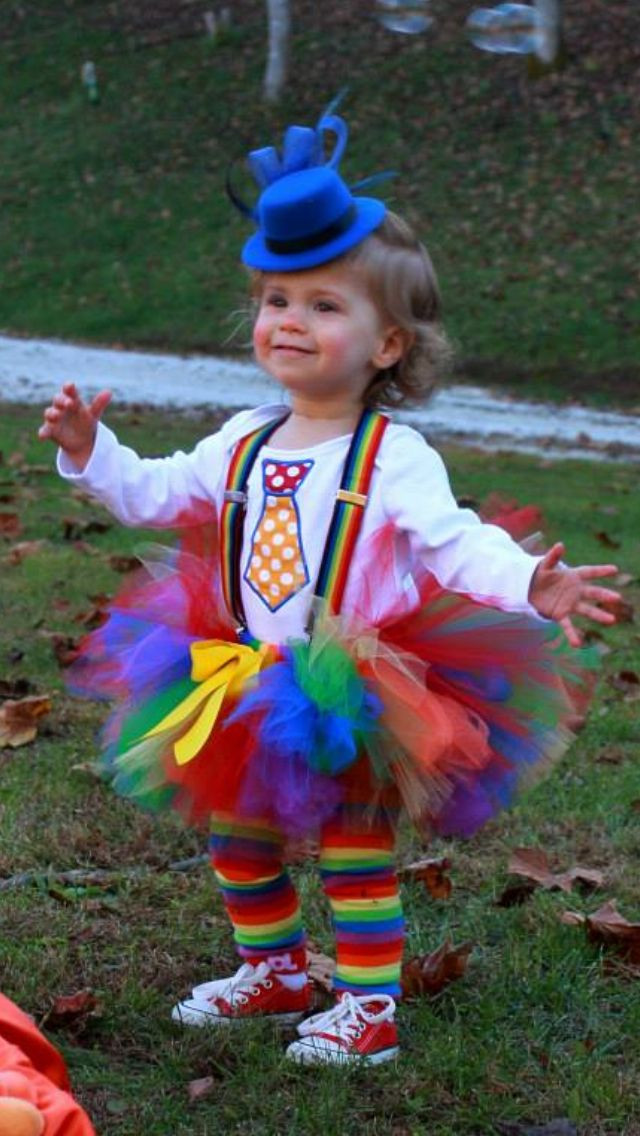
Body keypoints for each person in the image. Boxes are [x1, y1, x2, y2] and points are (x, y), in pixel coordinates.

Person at [39, 108, 619, 1067]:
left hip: (351, 686)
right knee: (238, 833)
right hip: (238, 670)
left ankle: (369, 1005)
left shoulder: (395, 455)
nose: (290, 322)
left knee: (354, 846)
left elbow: (452, 544)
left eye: (323, 305)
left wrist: (527, 583)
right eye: (276, 301)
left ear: (387, 345)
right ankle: (272, 967)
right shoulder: (243, 437)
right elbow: (156, 493)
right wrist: (89, 451)